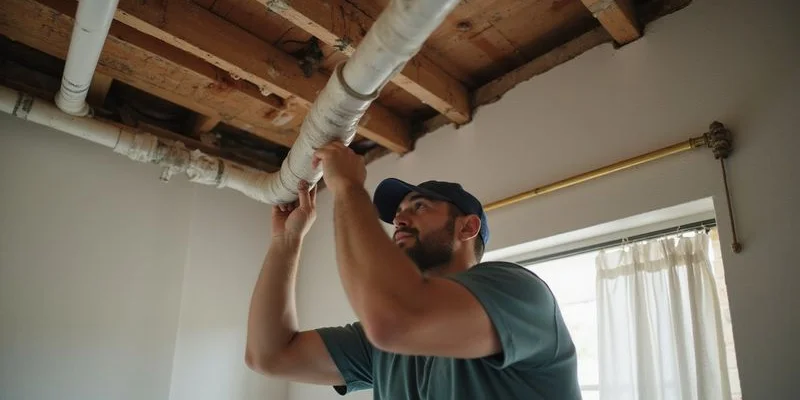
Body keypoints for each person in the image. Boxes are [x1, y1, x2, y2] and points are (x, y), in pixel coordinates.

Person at [245, 141, 581, 399]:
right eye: (397, 214)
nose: (400, 220)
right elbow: (270, 355)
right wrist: (286, 241)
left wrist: (349, 188)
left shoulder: (516, 292)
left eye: (420, 207)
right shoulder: (384, 344)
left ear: (467, 228)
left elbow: (395, 319)